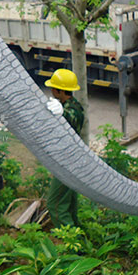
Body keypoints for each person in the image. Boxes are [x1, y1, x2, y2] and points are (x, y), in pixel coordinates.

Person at [44, 68, 85, 228]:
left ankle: (72, 243)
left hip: (68, 163)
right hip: (70, 161)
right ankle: (80, 240)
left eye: (53, 88)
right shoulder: (67, 105)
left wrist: (62, 114)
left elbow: (73, 119)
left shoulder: (73, 110)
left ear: (59, 90)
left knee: (55, 205)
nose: (51, 91)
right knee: (69, 204)